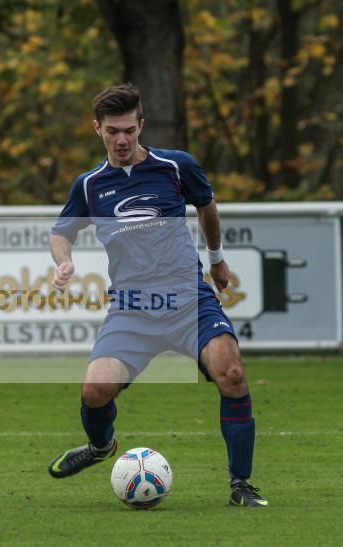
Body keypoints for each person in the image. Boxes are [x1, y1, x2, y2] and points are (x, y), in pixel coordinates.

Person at [46, 84, 267, 507]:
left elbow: (207, 205)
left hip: (188, 299)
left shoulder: (175, 166)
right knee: (94, 390)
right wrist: (63, 262)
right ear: (97, 129)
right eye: (112, 131)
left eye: (129, 129)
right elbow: (61, 232)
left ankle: (241, 485)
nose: (122, 139)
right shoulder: (90, 185)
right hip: (133, 310)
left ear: (141, 125)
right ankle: (100, 448)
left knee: (232, 373)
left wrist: (217, 259)